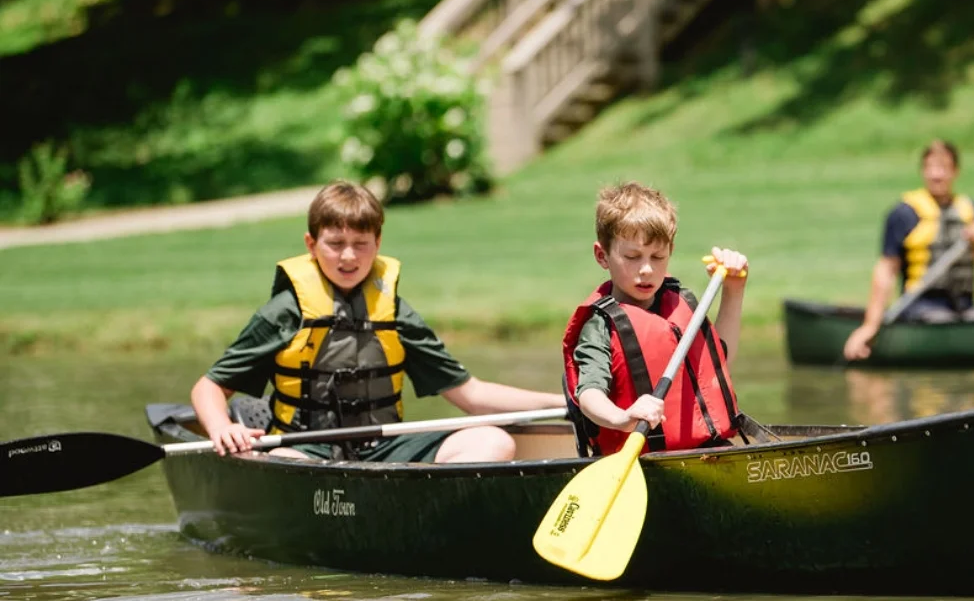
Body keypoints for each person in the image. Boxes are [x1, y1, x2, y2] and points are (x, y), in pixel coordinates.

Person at [190, 180, 563, 462]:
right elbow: (208, 388)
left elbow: (472, 395)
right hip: (302, 450)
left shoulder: (396, 312)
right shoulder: (285, 311)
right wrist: (222, 428)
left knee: (494, 442)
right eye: (335, 243)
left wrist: (558, 401)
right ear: (310, 244)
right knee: (284, 466)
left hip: (383, 449)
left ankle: (418, 517)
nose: (348, 256)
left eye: (361, 243)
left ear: (378, 241)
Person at [561, 181, 749, 456]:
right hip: (641, 459)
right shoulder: (600, 325)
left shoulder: (676, 303)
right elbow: (590, 394)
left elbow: (719, 362)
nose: (647, 269)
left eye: (658, 256)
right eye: (632, 257)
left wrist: (733, 288)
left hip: (707, 451)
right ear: (603, 255)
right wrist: (622, 419)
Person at [843, 140, 974, 361]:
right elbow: (886, 270)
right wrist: (871, 325)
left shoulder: (971, 211)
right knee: (941, 321)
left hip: (965, 308)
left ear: (955, 171)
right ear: (923, 171)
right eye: (930, 168)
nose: (936, 175)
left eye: (943, 168)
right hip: (921, 307)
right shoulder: (904, 213)